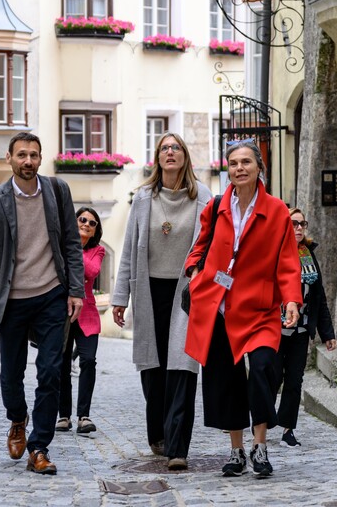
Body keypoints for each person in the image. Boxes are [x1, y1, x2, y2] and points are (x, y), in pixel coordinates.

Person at [0, 131, 84, 476]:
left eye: (33, 155)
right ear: (9, 158)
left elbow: (72, 244)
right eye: (21, 155)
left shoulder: (58, 191)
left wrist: (75, 290)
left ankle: (39, 447)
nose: (28, 161)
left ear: (40, 158)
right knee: (10, 376)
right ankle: (18, 418)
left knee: (50, 372)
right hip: (13, 299)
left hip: (51, 294)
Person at [184, 139, 302, 478]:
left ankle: (259, 446)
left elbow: (287, 261)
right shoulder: (216, 206)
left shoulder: (277, 211)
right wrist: (194, 272)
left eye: (246, 162)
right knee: (226, 380)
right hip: (219, 307)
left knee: (263, 369)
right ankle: (236, 452)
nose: (239, 168)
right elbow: (199, 247)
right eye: (234, 163)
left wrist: (291, 299)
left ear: (259, 167)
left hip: (259, 307)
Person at [112, 132, 212, 471]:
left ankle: (177, 447)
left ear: (185, 156)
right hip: (149, 290)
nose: (170, 152)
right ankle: (158, 432)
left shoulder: (204, 199)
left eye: (176, 147)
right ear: (157, 157)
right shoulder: (143, 198)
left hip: (186, 294)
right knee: (153, 372)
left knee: (183, 368)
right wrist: (120, 297)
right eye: (164, 148)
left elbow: (210, 248)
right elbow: (129, 249)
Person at [274, 208, 337, 448]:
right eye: (293, 223)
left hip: (300, 330)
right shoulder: (274, 252)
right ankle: (262, 420)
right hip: (276, 329)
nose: (299, 228)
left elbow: (319, 297)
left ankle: (287, 429)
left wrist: (327, 333)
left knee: (294, 381)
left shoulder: (309, 254)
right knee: (272, 377)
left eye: (302, 224)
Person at [56, 207, 105, 435]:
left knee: (88, 360)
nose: (86, 224)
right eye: (82, 219)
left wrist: (73, 249)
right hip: (63, 312)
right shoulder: (61, 245)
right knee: (62, 365)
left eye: (92, 223)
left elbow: (92, 271)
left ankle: (83, 416)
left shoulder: (98, 250)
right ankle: (63, 416)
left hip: (87, 314)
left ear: (95, 231)